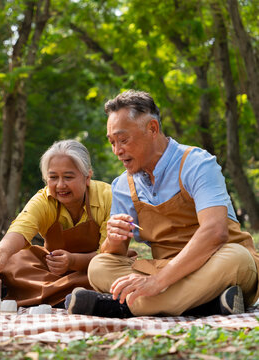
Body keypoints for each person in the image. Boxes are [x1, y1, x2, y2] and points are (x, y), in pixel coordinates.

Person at [67, 90, 259, 317]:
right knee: (99, 267)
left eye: (123, 140)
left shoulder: (197, 164)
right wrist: (114, 239)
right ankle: (207, 304)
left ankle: (123, 307)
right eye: (112, 142)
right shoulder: (122, 185)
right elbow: (115, 254)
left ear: (152, 129)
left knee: (236, 258)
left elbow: (215, 232)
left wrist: (158, 282)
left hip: (218, 263)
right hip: (167, 270)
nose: (117, 151)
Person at [0, 140, 117, 307]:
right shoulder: (44, 200)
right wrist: (0, 254)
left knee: (111, 269)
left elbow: (109, 253)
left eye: (68, 177)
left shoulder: (108, 196)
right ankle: (80, 296)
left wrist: (73, 261)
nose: (60, 185)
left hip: (94, 269)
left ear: (87, 177)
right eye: (53, 178)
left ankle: (53, 295)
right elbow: (21, 228)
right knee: (13, 259)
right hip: (53, 272)